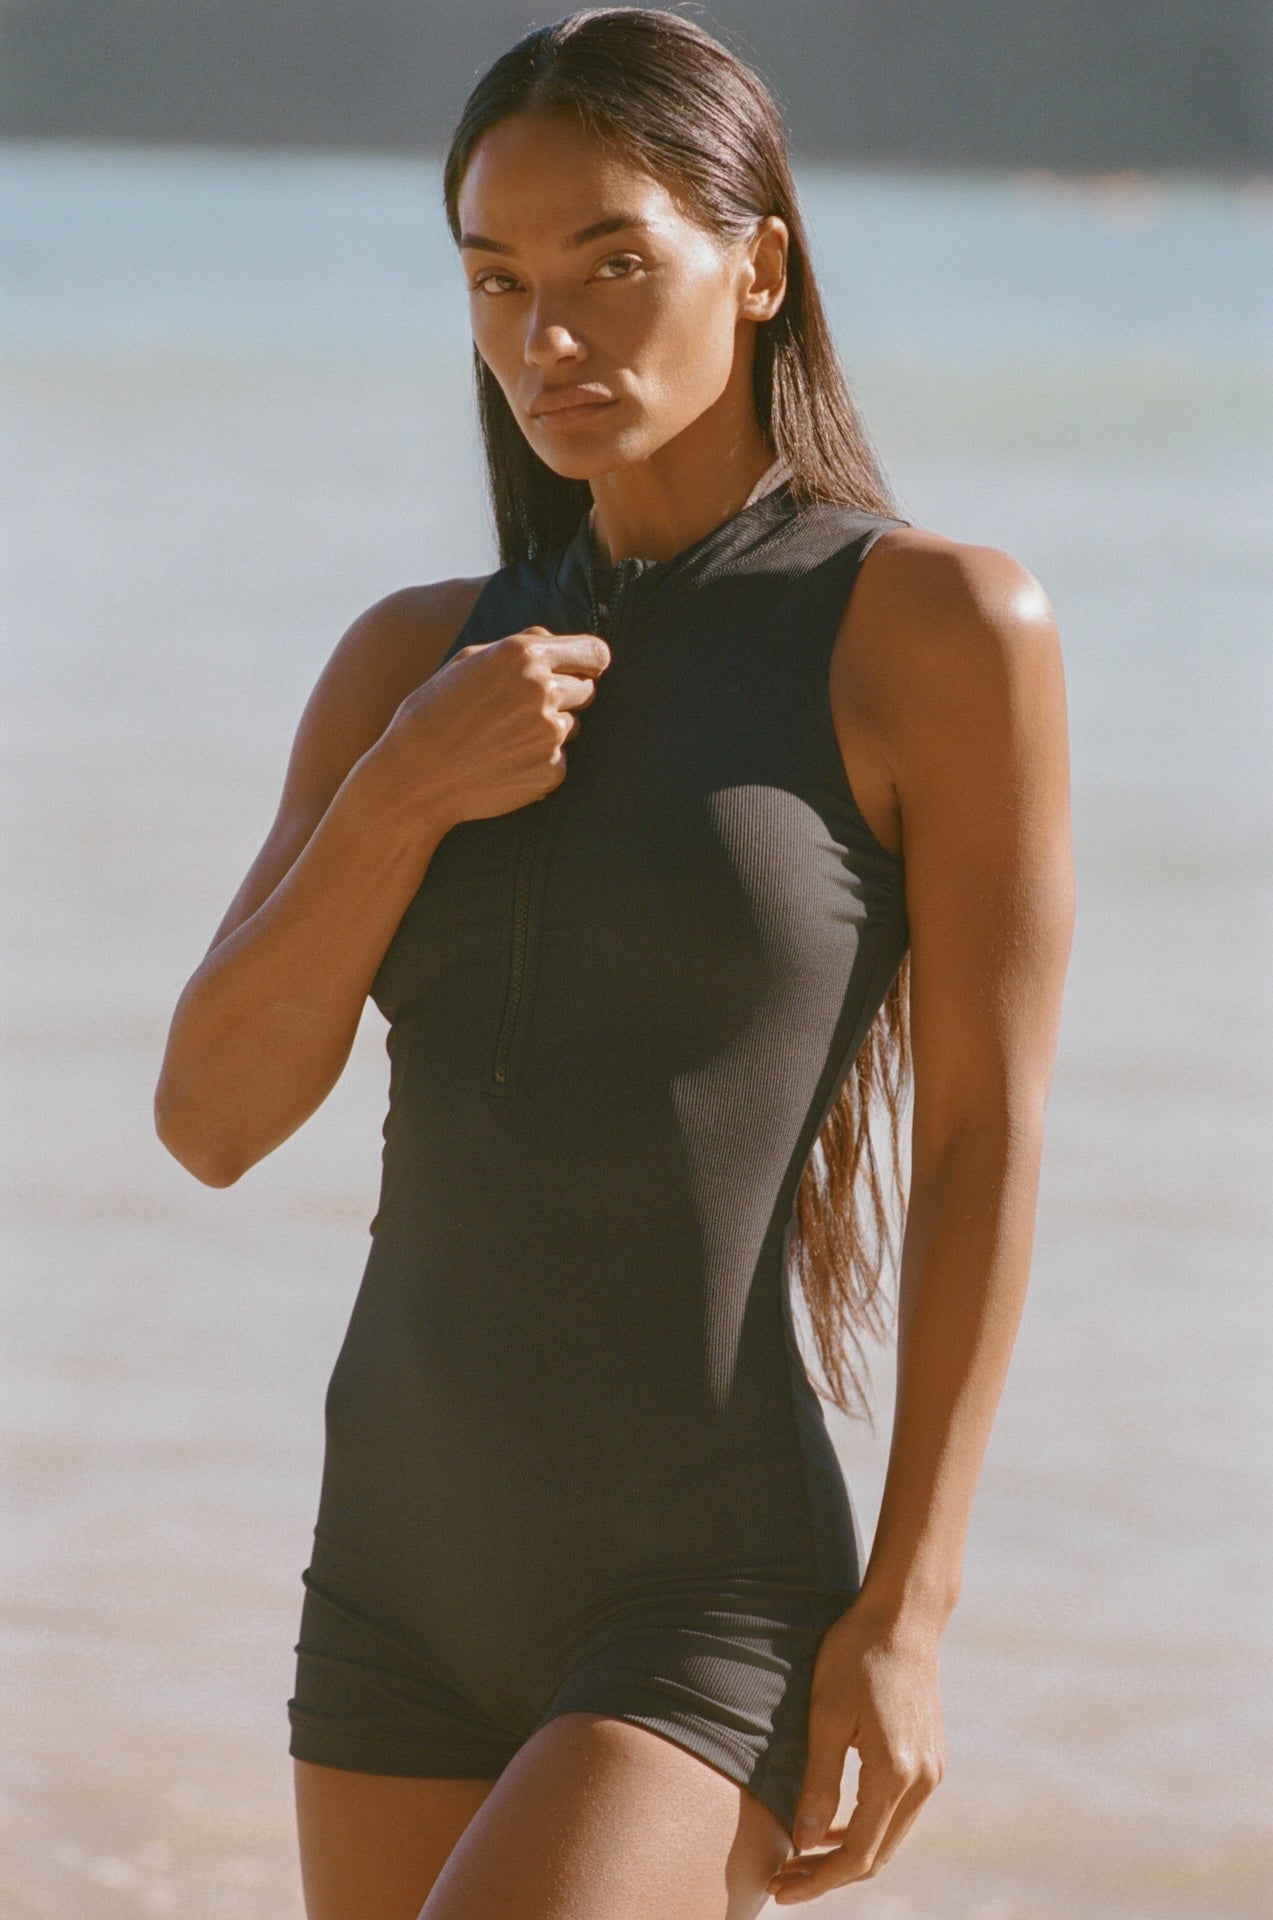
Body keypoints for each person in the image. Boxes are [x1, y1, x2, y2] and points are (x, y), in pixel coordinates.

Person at [154, 10, 1074, 1918]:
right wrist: (403, 795)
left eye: (611, 263)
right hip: (393, 1575)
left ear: (759, 262)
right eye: (496, 279)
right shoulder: (413, 659)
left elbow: (986, 1137)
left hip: (703, 1585)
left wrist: (909, 1610)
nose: (541, 338)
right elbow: (213, 1119)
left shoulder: (932, 627)